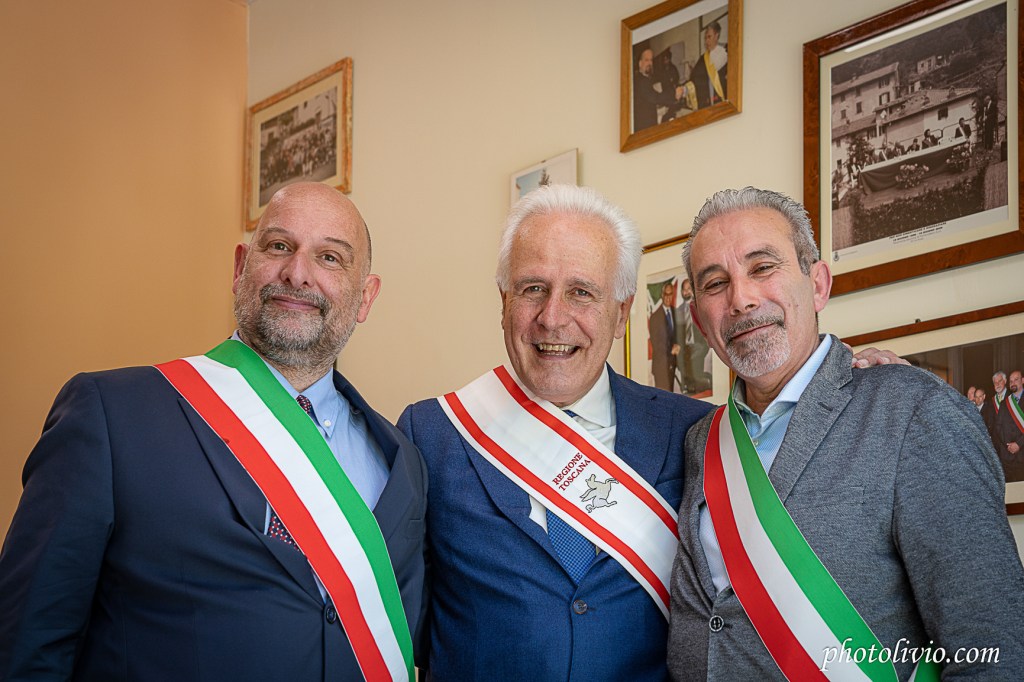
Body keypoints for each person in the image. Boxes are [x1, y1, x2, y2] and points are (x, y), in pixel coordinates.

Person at [398, 185, 898, 681]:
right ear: (504, 302)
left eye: (581, 292)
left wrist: (856, 375)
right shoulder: (432, 433)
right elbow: (400, 624)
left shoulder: (696, 432)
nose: (552, 318)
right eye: (532, 289)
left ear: (621, 314)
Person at [0, 182, 427, 681]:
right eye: (279, 246)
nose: (297, 273)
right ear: (240, 268)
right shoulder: (111, 415)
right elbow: (26, 646)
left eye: (330, 258)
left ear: (366, 297)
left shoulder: (403, 460)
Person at [667, 186, 1024, 680]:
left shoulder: (914, 411)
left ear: (818, 285)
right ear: (700, 323)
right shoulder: (698, 440)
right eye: (715, 283)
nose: (741, 299)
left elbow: (993, 649)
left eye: (762, 267)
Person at [633, 46, 684, 132]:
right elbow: (655, 97)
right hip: (644, 128)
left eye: (651, 60)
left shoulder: (644, 79)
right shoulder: (641, 80)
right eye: (646, 60)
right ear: (640, 63)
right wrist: (674, 95)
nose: (650, 63)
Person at [675, 278, 710, 394]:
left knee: (694, 358)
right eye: (684, 290)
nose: (686, 292)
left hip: (699, 344)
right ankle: (692, 387)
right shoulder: (678, 311)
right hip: (684, 347)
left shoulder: (700, 308)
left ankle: (699, 384)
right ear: (681, 292)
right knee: (683, 359)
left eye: (688, 289)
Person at [686, 20, 727, 109]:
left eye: (709, 37)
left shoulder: (727, 52)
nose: (706, 41)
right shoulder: (703, 59)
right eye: (705, 38)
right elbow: (694, 79)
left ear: (716, 36)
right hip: (709, 103)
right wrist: (684, 89)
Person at [650, 280, 680, 391]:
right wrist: (671, 350)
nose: (668, 297)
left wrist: (678, 346)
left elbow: (679, 335)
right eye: (665, 294)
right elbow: (656, 344)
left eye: (670, 294)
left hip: (673, 364)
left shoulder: (676, 312)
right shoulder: (655, 317)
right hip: (661, 367)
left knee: (671, 396)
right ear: (662, 295)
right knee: (662, 399)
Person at [995, 369, 1024, 480]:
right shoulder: (1004, 403)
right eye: (1011, 381)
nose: (1013, 383)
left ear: (1022, 380)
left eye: (1016, 379)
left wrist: (1018, 444)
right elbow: (998, 427)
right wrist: (1009, 445)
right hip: (1007, 457)